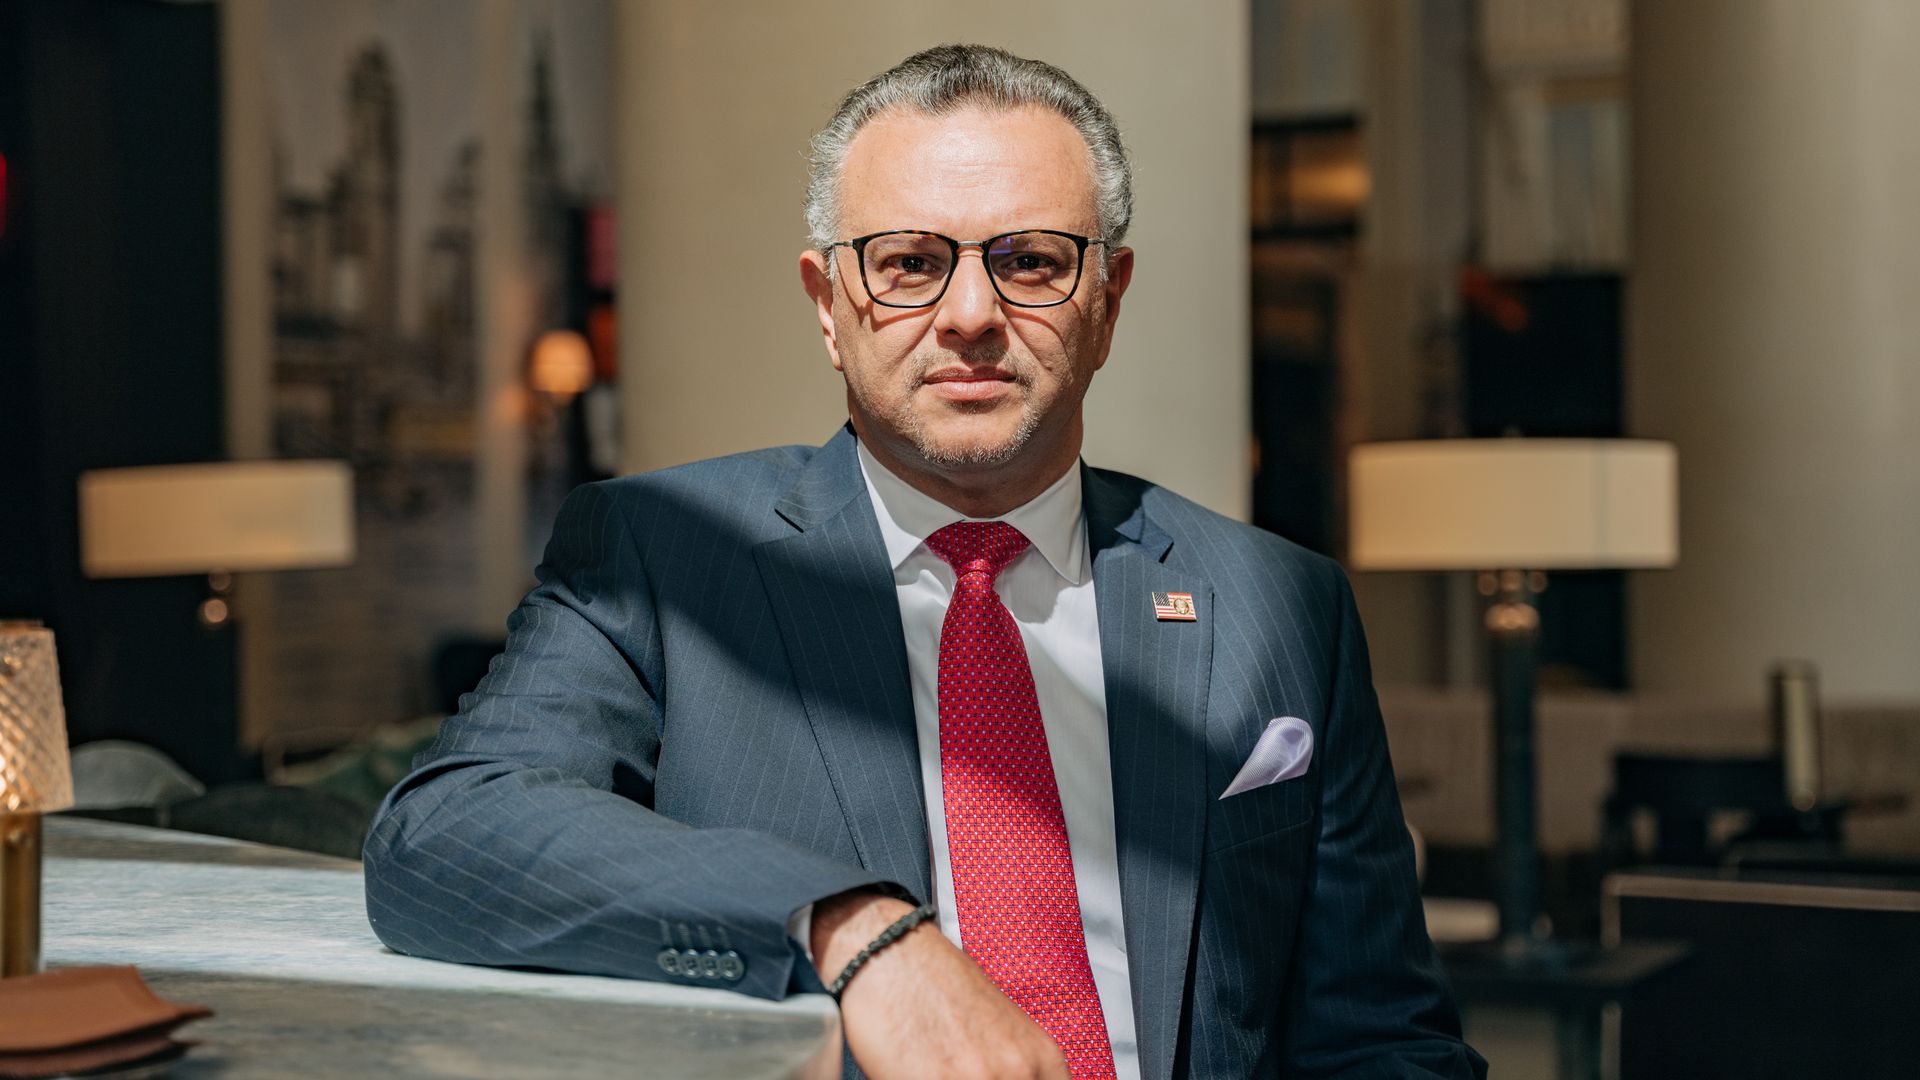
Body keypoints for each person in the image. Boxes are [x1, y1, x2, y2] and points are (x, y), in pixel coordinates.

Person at [364, 44, 1484, 1080]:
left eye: (1031, 261)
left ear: (1107, 303)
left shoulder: (1279, 606)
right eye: (908, 263)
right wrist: (852, 930)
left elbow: (1381, 1037)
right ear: (828, 306)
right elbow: (447, 833)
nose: (970, 315)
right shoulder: (659, 558)